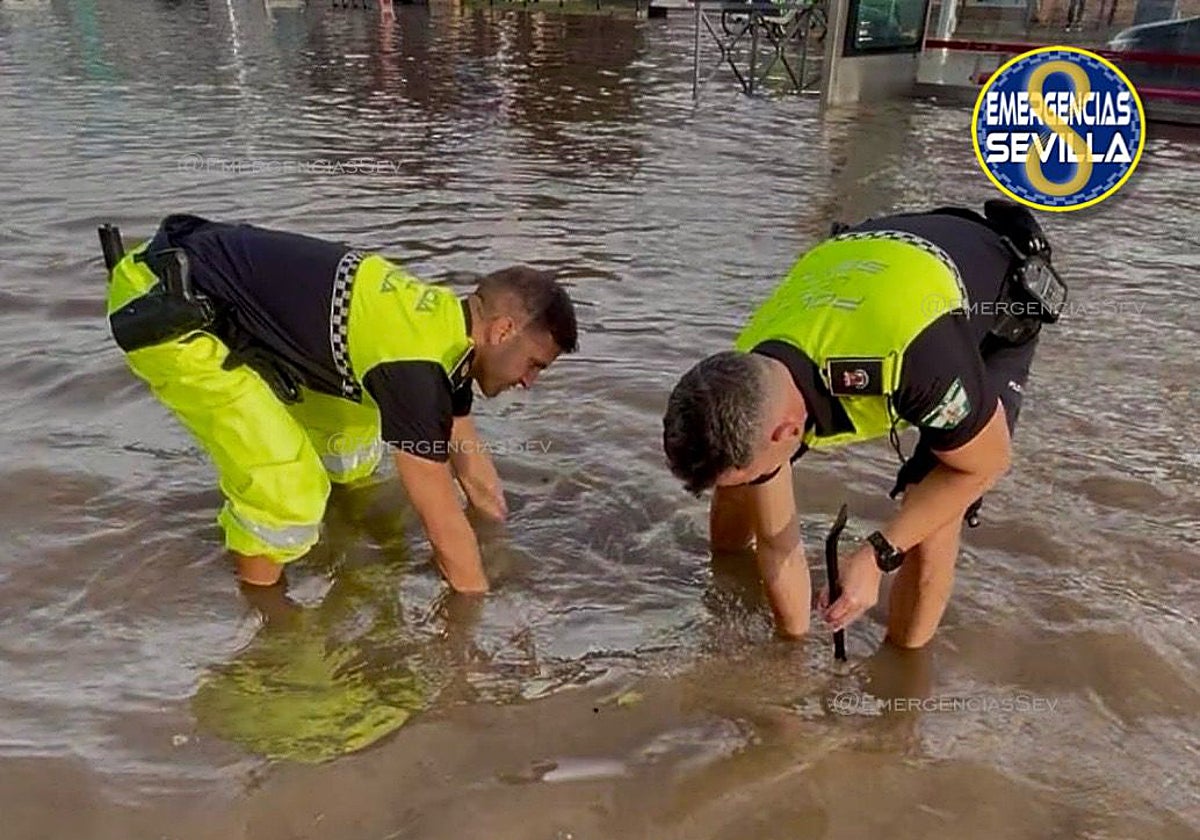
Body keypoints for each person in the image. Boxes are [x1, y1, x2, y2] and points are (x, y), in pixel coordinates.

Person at [661, 200, 1064, 649]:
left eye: (759, 470)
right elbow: (778, 545)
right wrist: (790, 656)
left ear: (787, 432)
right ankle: (727, 579)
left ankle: (901, 689)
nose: (762, 477)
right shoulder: (748, 376)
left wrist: (878, 553)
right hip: (876, 262)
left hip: (989, 301)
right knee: (741, 483)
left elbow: (988, 463)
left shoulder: (917, 359)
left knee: (934, 508)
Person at [102, 213, 577, 592]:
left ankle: (338, 540)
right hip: (166, 308)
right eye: (534, 364)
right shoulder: (415, 369)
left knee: (350, 448)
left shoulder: (444, 334)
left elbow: (472, 468)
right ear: (503, 331)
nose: (530, 382)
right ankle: (266, 616)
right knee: (288, 491)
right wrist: (475, 619)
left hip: (206, 279)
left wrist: (501, 544)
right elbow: (441, 520)